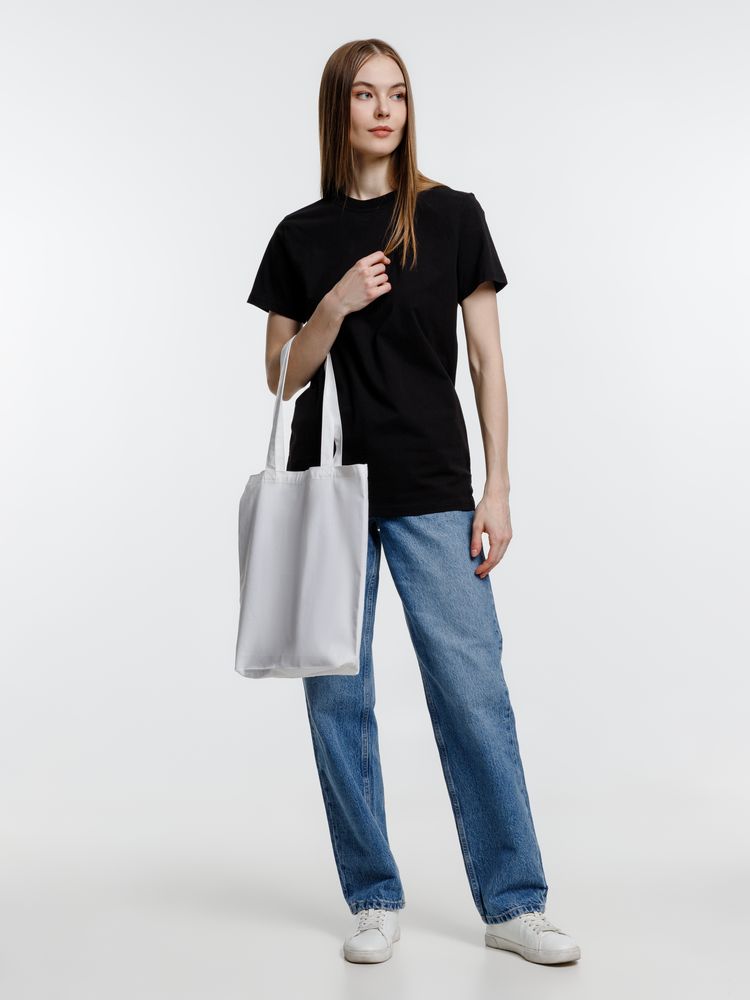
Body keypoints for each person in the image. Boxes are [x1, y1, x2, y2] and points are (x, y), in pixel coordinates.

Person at [246, 38, 581, 967]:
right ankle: (372, 897)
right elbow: (281, 377)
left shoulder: (454, 215)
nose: (385, 110)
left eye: (396, 94)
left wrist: (498, 486)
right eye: (366, 95)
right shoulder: (301, 236)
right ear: (339, 108)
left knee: (474, 693)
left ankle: (514, 902)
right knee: (337, 699)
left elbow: (487, 362)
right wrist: (333, 305)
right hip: (329, 492)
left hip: (435, 484)